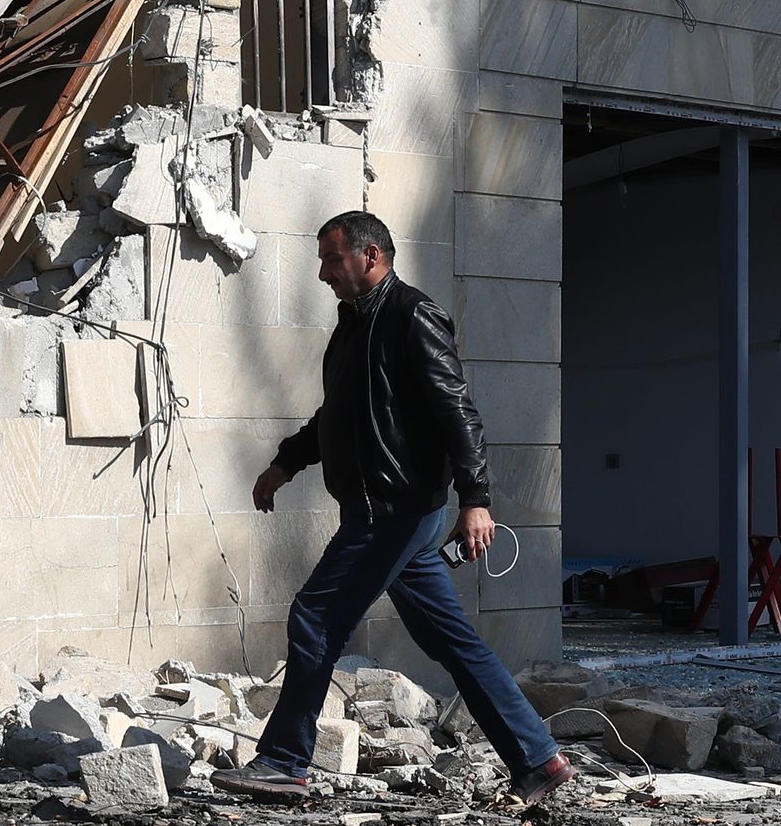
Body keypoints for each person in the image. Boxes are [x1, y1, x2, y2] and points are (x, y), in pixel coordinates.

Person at [209, 211, 572, 806]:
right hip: (381, 509)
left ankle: (283, 760)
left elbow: (458, 412)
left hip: (392, 509)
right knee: (449, 639)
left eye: (332, 259)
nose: (323, 272)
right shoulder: (353, 326)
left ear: (370, 256)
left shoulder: (412, 316)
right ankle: (537, 758)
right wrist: (286, 463)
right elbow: (341, 416)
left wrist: (476, 499)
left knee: (315, 617)